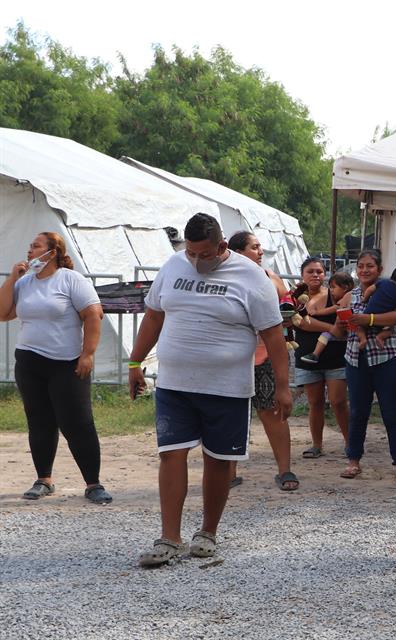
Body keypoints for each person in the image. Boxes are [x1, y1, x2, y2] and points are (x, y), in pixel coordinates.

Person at [131, 213, 292, 567]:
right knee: (171, 454)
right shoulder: (174, 267)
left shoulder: (252, 277)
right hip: (175, 383)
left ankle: (207, 532)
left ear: (221, 246)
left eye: (204, 255)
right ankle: (169, 538)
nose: (197, 261)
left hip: (227, 388)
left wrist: (283, 386)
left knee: (218, 460)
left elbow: (273, 335)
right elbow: (154, 315)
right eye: (191, 254)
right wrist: (134, 362)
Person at [0, 232, 111, 504]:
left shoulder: (70, 280)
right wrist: (13, 278)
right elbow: (3, 313)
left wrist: (88, 354)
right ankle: (44, 479)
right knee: (39, 421)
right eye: (29, 246)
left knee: (77, 423)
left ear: (53, 252)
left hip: (66, 363)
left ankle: (93, 483)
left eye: (36, 246)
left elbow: (93, 315)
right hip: (29, 361)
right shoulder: (25, 282)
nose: (30, 251)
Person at [225, 231, 297, 491]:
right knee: (231, 415)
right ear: (238, 252)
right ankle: (228, 472)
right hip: (233, 356)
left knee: (272, 412)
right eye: (254, 247)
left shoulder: (270, 277)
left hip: (266, 353)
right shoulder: (225, 278)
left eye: (260, 247)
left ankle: (285, 469)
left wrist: (290, 313)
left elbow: (289, 306)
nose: (260, 252)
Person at [339, 249, 396, 482]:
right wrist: (349, 323)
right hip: (355, 358)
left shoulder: (388, 289)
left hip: (386, 358)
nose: (364, 270)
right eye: (360, 266)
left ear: (380, 270)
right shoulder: (349, 295)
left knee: (391, 412)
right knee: (358, 412)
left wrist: (368, 320)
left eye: (369, 266)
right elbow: (342, 322)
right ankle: (353, 461)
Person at [293, 259, 350, 458]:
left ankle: (350, 443)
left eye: (319, 271)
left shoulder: (335, 295)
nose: (316, 275)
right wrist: (329, 328)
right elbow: (299, 322)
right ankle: (317, 445)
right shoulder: (294, 297)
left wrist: (338, 328)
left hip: (335, 357)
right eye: (311, 271)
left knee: (338, 401)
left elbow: (344, 317)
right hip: (307, 358)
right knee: (315, 402)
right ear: (302, 274)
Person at [298, 272, 356, 364]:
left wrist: (317, 312)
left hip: (347, 331)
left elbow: (332, 309)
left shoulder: (345, 298)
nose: (331, 290)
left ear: (345, 288)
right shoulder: (355, 295)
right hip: (351, 331)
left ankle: (315, 354)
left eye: (333, 287)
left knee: (325, 335)